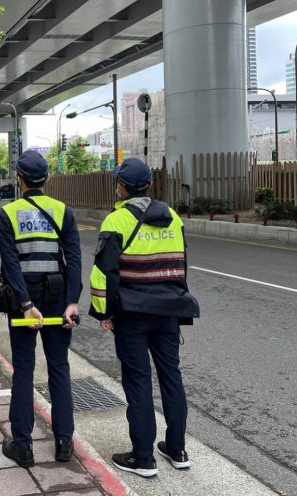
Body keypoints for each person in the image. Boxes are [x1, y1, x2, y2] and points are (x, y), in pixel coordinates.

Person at [89, 158, 200, 478]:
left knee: (138, 381)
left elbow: (104, 273)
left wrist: (104, 312)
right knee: (171, 377)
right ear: (149, 185)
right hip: (168, 312)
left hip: (133, 315)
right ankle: (177, 449)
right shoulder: (173, 217)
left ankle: (143, 457)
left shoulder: (117, 220)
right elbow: (181, 265)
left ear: (122, 187)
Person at [0, 149, 82, 468]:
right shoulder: (63, 211)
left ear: (19, 178)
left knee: (24, 369)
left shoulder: (7, 214)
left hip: (24, 303)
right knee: (59, 366)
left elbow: (11, 264)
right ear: (47, 178)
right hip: (58, 297)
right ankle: (63, 442)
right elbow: (74, 259)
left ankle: (23, 446)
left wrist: (26, 304)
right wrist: (72, 301)